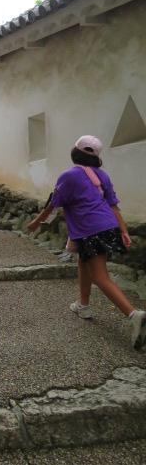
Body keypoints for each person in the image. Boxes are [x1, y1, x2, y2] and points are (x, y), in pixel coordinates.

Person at [27, 135, 146, 350]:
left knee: (100, 276)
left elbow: (53, 204)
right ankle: (83, 305)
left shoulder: (69, 175)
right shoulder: (102, 175)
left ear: (75, 152)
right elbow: (113, 205)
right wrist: (124, 230)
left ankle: (134, 315)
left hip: (90, 230)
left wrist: (36, 223)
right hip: (108, 226)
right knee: (84, 262)